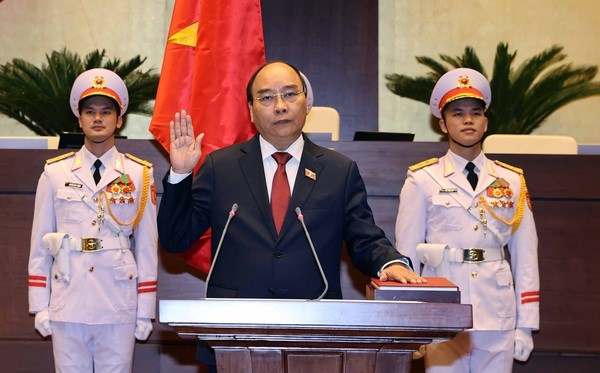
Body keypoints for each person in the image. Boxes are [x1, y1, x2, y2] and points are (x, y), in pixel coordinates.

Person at [158, 60, 424, 299]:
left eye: (289, 94)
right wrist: (181, 173)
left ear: (307, 102)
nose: (281, 106)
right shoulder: (221, 167)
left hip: (315, 323)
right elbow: (175, 240)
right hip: (235, 325)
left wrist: (391, 263)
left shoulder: (338, 171)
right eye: (266, 98)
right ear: (250, 111)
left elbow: (364, 238)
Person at [394, 68, 540, 372]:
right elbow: (406, 257)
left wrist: (526, 323)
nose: (468, 120)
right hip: (442, 310)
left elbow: (526, 257)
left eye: (476, 112)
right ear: (442, 124)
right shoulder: (423, 179)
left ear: (486, 121)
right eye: (458, 114)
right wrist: (408, 322)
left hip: (496, 310)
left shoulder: (512, 181)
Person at [27, 68, 158, 373]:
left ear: (119, 119)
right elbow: (40, 244)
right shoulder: (55, 173)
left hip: (117, 300)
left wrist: (145, 311)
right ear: (79, 119)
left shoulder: (139, 173)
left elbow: (147, 248)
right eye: (90, 111)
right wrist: (38, 304)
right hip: (68, 297)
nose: (98, 118)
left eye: (106, 111)